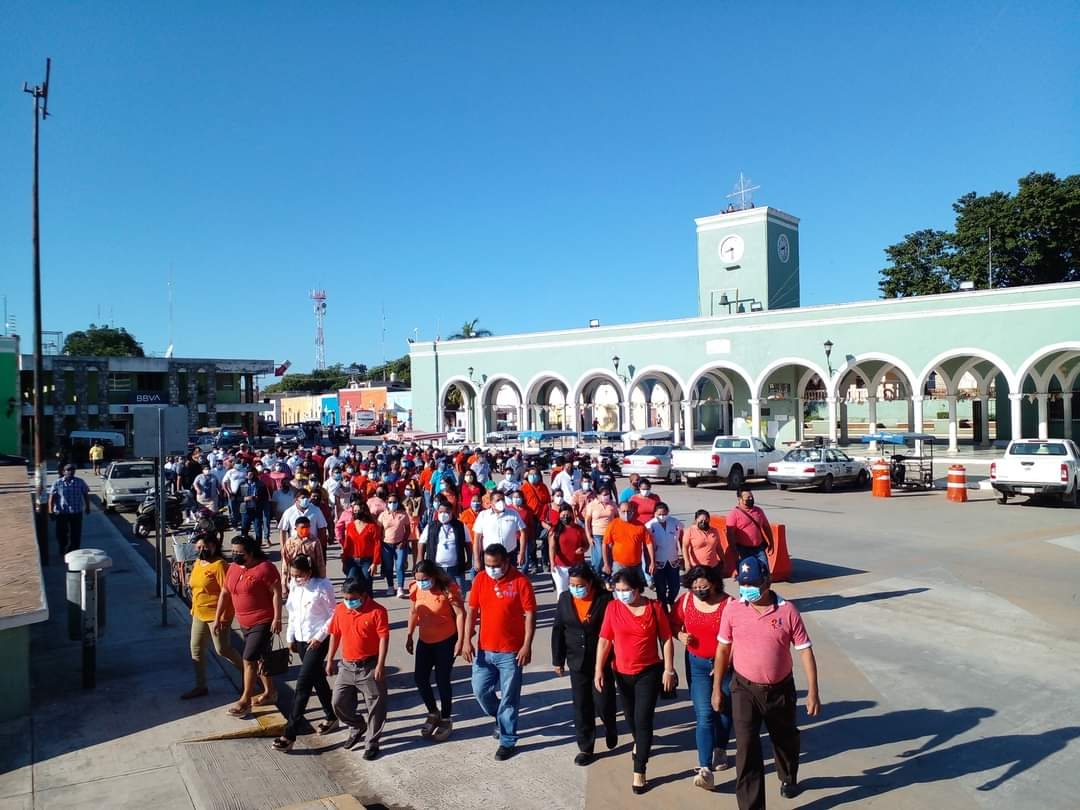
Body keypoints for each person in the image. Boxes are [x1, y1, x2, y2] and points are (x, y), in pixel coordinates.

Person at [712, 556, 820, 807]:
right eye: (743, 583)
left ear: (768, 581)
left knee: (785, 740)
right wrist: (717, 688)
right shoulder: (733, 609)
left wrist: (813, 691)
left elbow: (805, 650)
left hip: (780, 689)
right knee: (747, 749)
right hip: (744, 689)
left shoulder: (787, 611)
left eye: (753, 584)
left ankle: (788, 775)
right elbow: (722, 650)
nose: (747, 589)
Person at [595, 567, 675, 794]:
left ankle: (639, 770)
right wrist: (598, 670)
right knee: (630, 718)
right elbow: (604, 640)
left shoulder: (654, 608)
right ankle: (639, 742)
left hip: (648, 672)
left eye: (626, 590)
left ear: (638, 589)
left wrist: (668, 669)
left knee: (643, 719)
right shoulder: (612, 608)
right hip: (621, 673)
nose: (621, 594)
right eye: (618, 590)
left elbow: (666, 639)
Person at [462, 543, 537, 761]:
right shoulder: (480, 580)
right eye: (487, 565)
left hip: (511, 652)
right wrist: (467, 640)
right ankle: (500, 716)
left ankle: (507, 740)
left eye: (495, 565)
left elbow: (530, 614)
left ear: (506, 562)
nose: (491, 569)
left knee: (510, 698)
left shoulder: (521, 581)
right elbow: (472, 611)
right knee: (480, 690)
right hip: (485, 650)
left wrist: (526, 645)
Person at [670, 565, 733, 790]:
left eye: (704, 586)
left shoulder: (730, 604)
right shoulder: (686, 601)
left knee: (723, 709)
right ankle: (704, 768)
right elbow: (672, 623)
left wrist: (724, 663)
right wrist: (680, 634)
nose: (699, 590)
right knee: (704, 713)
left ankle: (721, 748)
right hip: (696, 665)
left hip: (725, 665)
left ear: (715, 583)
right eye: (695, 587)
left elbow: (739, 636)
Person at [551, 563, 617, 766]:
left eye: (579, 585)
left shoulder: (604, 599)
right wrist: (558, 660)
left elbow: (614, 630)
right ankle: (586, 747)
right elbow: (558, 629)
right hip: (576, 661)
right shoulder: (565, 599)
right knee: (581, 705)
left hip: (601, 660)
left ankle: (610, 725)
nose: (575, 588)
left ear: (589, 583)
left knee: (603, 701)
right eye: (571, 584)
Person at [273, 555, 339, 752]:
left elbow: (334, 614)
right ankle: (331, 715)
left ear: (309, 572)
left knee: (302, 685)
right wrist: (290, 637)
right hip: (301, 640)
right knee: (317, 678)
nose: (296, 579)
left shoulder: (323, 586)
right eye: (293, 575)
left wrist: (320, 636)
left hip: (317, 640)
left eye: (299, 575)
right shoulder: (294, 586)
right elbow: (292, 613)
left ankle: (289, 732)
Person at [213, 535, 282, 717]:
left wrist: (277, 618)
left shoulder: (265, 568)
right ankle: (270, 692)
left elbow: (276, 593)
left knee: (249, 658)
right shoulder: (234, 568)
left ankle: (245, 700)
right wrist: (217, 617)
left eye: (240, 552)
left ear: (251, 552)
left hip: (262, 620)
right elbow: (225, 592)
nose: (236, 555)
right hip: (243, 622)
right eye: (233, 551)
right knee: (261, 658)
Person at [325, 576, 391, 760]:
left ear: (362, 595)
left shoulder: (378, 611)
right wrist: (330, 659)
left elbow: (383, 638)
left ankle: (372, 742)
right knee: (337, 702)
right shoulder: (340, 610)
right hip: (346, 665)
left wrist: (380, 665)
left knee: (376, 706)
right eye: (345, 598)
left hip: (369, 666)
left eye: (351, 598)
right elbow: (335, 634)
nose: (348, 602)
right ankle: (356, 725)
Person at [405, 560, 466, 742]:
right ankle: (433, 712)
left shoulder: (448, 589)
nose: (421, 582)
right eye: (418, 579)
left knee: (442, 680)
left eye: (425, 579)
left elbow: (461, 614)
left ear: (433, 576)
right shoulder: (416, 588)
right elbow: (413, 612)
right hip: (425, 640)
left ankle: (446, 718)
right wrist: (409, 634)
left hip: (446, 641)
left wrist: (461, 642)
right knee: (420, 678)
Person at [181, 532, 243, 700]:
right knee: (196, 648)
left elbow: (227, 592)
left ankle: (249, 673)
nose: (202, 550)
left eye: (206, 547)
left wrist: (220, 618)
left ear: (214, 546)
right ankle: (200, 686)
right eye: (199, 547)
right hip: (199, 613)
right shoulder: (197, 563)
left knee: (223, 649)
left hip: (217, 615)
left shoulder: (220, 565)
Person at [419, 499, 471, 592]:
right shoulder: (431, 526)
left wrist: (470, 560)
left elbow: (468, 543)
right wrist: (420, 560)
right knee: (438, 593)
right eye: (441, 512)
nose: (443, 514)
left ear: (452, 512)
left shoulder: (460, 526)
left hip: (456, 567)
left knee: (459, 594)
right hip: (436, 568)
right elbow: (422, 543)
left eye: (447, 512)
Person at [471, 491, 526, 570]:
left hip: (509, 555)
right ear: (491, 503)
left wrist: (522, 553)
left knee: (511, 580)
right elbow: (476, 539)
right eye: (498, 500)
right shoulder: (483, 515)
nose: (501, 502)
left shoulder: (513, 514)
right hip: (490, 557)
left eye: (503, 500)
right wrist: (477, 560)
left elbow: (523, 532)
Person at [725, 487, 774, 572]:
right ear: (740, 499)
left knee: (765, 573)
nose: (751, 499)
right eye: (748, 498)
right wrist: (735, 551)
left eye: (751, 497)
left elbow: (766, 527)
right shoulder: (734, 514)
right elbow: (730, 534)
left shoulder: (758, 511)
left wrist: (771, 542)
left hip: (759, 549)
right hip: (743, 550)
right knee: (747, 576)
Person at [644, 502, 682, 610]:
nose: (662, 516)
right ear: (655, 513)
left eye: (664, 514)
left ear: (668, 513)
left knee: (675, 586)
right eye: (659, 514)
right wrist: (649, 562)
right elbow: (647, 545)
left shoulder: (674, 522)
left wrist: (682, 553)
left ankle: (670, 600)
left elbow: (681, 535)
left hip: (673, 559)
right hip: (658, 560)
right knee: (661, 588)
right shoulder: (650, 526)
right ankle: (663, 608)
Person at [49, 463, 91, 556]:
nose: (71, 472)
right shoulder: (58, 482)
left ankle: (74, 550)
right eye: (68, 470)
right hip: (62, 513)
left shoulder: (80, 482)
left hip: (76, 512)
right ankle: (62, 547)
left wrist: (87, 507)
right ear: (64, 472)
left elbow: (85, 494)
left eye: (73, 470)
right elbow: (52, 497)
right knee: (61, 533)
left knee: (76, 533)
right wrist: (50, 511)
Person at [602, 502, 653, 578]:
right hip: (619, 565)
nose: (626, 514)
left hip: (636, 565)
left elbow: (649, 543)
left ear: (632, 511)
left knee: (637, 588)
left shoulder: (640, 526)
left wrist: (651, 561)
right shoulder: (613, 525)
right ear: (619, 511)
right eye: (623, 511)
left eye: (628, 511)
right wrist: (606, 563)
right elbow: (605, 544)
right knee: (620, 588)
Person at [548, 502, 589, 597]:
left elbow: (586, 544)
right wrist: (552, 562)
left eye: (567, 514)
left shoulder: (579, 529)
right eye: (563, 515)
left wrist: (583, 549)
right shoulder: (555, 530)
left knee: (576, 591)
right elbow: (552, 547)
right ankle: (562, 609)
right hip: (560, 567)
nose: (565, 517)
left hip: (577, 566)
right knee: (562, 591)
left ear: (572, 514)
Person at [379, 491, 412, 598]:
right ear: (387, 502)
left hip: (400, 544)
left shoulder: (403, 514)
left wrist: (404, 541)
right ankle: (390, 586)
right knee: (388, 567)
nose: (392, 504)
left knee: (400, 566)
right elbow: (379, 530)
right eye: (390, 502)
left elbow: (407, 529)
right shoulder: (382, 515)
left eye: (394, 502)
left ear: (398, 502)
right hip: (386, 544)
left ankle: (400, 588)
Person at [281, 515, 326, 591]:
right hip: (295, 578)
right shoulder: (290, 542)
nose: (305, 529)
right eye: (302, 527)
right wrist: (284, 582)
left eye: (308, 527)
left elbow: (320, 561)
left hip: (311, 578)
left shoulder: (314, 541)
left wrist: (322, 579)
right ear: (296, 528)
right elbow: (285, 562)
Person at [341, 500, 383, 582]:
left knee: (367, 583)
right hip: (352, 560)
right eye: (355, 511)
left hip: (367, 560)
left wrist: (375, 563)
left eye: (358, 510)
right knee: (352, 583)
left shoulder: (372, 527)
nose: (356, 513)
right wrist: (344, 561)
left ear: (363, 511)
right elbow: (347, 545)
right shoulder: (350, 526)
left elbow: (377, 545)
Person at [584, 486, 618, 571]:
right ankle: (596, 573)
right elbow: (587, 522)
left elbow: (617, 517)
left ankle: (607, 575)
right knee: (599, 557)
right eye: (604, 494)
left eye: (608, 494)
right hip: (597, 534)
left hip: (610, 534)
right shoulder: (591, 505)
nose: (607, 496)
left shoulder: (612, 504)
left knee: (609, 556)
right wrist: (589, 537)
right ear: (598, 495)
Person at [240, 467, 271, 545]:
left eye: (252, 474)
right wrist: (244, 498)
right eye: (249, 474)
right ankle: (244, 545)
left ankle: (258, 546)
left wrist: (257, 498)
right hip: (245, 510)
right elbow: (236, 497)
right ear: (246, 475)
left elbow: (266, 497)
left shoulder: (260, 484)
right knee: (244, 529)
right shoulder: (242, 484)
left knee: (258, 529)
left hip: (256, 509)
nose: (250, 476)